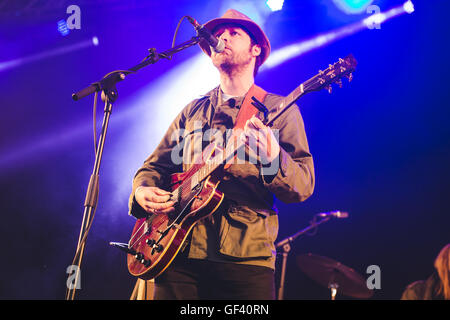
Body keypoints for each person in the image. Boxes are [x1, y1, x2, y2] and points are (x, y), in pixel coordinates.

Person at [128, 9, 315, 300]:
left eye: (234, 33)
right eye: (219, 33)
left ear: (256, 50)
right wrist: (141, 190)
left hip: (244, 261)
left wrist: (272, 158)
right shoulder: (192, 110)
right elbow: (154, 166)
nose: (222, 37)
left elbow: (302, 186)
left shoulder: (280, 111)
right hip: (177, 253)